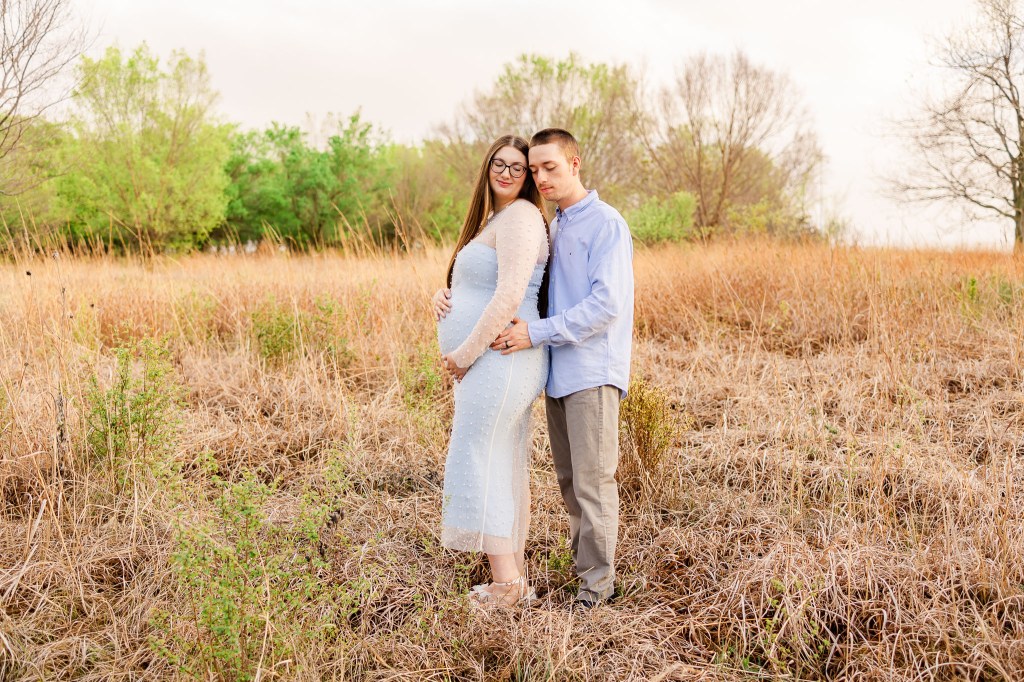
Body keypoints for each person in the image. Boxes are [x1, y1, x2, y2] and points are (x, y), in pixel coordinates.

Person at [490, 128, 634, 609]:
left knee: (593, 484)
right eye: (534, 170)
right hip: (557, 374)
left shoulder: (605, 223)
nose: (540, 177)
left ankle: (597, 591)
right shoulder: (555, 225)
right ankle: (587, 576)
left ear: (575, 163)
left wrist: (536, 333)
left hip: (593, 373)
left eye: (549, 167)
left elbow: (606, 305)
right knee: (571, 484)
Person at [432, 134, 549, 606]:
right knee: (499, 460)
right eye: (499, 163)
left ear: (528, 176)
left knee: (479, 456)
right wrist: (443, 296)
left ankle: (506, 586)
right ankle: (513, 581)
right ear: (487, 166)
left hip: (500, 358)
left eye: (518, 167)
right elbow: (479, 284)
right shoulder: (497, 219)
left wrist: (463, 354)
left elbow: (510, 294)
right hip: (495, 361)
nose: (506, 172)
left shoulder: (520, 215)